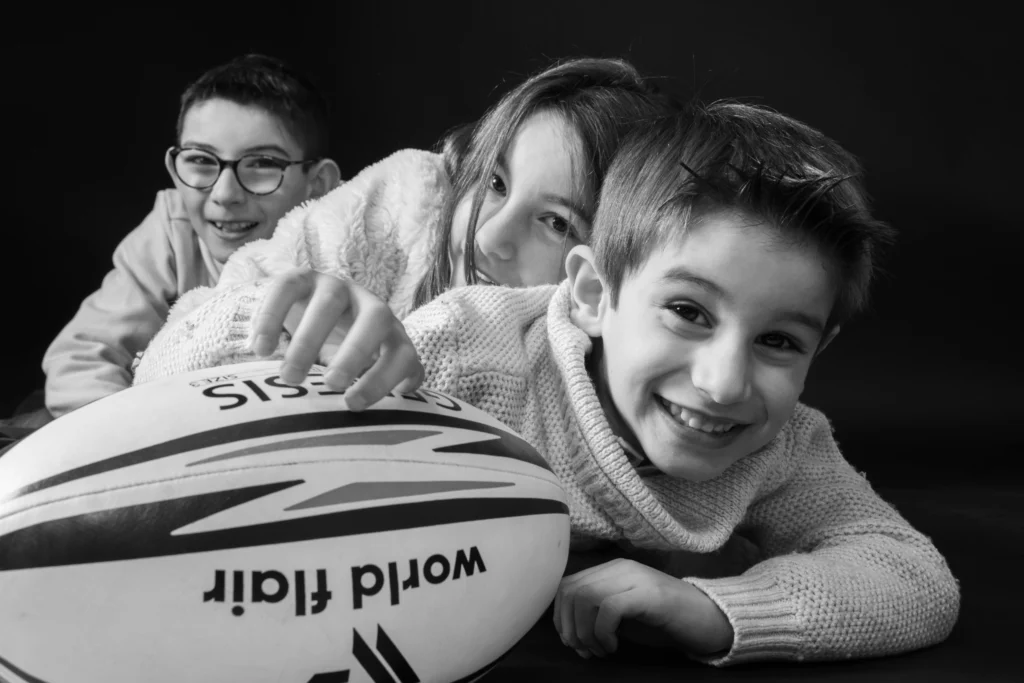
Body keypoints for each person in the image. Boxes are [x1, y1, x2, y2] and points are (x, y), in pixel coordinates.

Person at [137, 99, 960, 665]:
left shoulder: (781, 445)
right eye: (687, 311)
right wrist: (265, 330)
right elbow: (156, 402)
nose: (723, 382)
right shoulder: (469, 352)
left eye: (779, 339)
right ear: (594, 294)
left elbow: (913, 575)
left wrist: (719, 615)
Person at [132, 56, 678, 412]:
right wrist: (271, 321)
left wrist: (710, 595)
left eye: (556, 222)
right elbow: (158, 376)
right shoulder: (390, 210)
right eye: (494, 182)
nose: (490, 238)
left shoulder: (643, 360)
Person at [37, 54, 342, 421]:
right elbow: (82, 357)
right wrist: (137, 442)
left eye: (262, 163)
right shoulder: (174, 228)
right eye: (200, 160)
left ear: (318, 183)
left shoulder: (354, 233)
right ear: (173, 168)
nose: (225, 194)